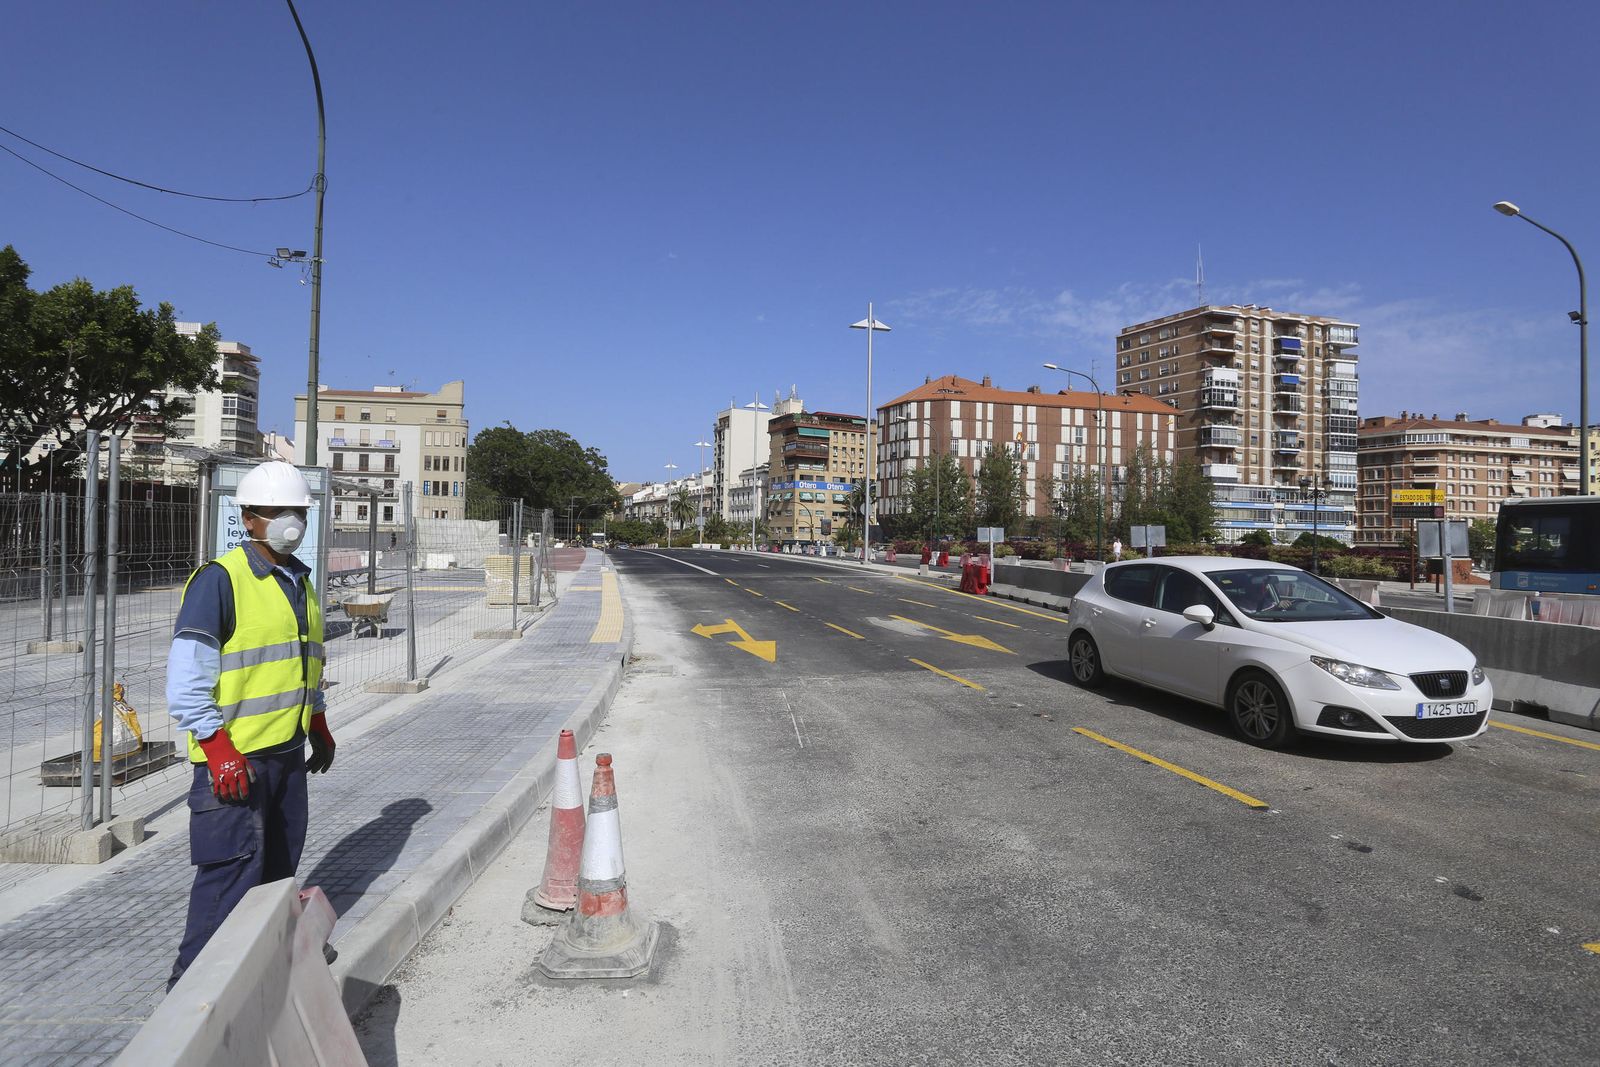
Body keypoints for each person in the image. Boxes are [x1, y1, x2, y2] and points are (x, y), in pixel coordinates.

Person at [164, 460, 335, 990]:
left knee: (277, 874)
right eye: (280, 512)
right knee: (228, 879)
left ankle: (267, 972)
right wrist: (216, 747)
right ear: (250, 517)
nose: (292, 521)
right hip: (233, 765)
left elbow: (305, 662)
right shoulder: (220, 581)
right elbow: (187, 678)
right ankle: (190, 997)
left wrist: (318, 719)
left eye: (299, 512)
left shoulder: (299, 581)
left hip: (284, 757)